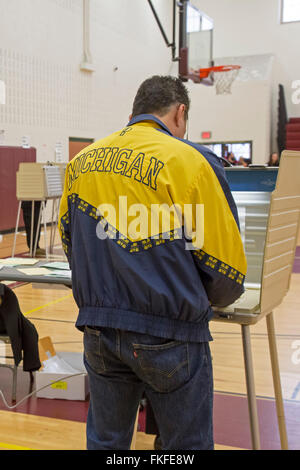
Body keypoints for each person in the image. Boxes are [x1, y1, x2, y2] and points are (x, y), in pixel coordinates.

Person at [59, 75, 247, 450]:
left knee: (106, 443)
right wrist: (209, 298)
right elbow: (226, 269)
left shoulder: (82, 161)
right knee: (184, 447)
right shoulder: (191, 161)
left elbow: (68, 241)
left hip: (98, 329)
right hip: (170, 334)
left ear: (133, 113)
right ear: (180, 113)